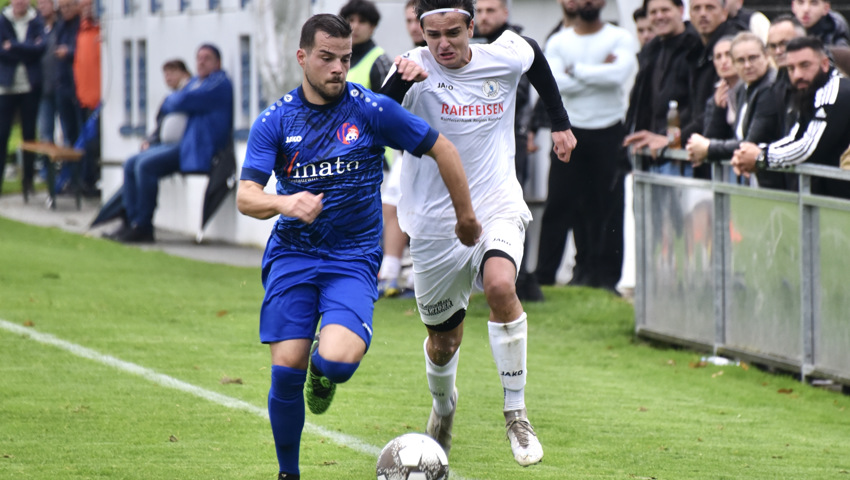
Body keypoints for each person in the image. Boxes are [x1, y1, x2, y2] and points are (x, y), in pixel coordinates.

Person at [236, 14, 480, 480]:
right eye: (326, 58)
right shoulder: (276, 119)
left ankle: (322, 376)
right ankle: (289, 473)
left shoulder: (371, 110)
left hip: (352, 258)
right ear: (302, 57)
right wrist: (286, 203)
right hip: (294, 256)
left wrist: (466, 217)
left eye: (345, 59)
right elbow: (247, 196)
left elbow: (442, 148)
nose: (337, 68)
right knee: (286, 367)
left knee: (336, 362)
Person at [381, 0, 576, 466]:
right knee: (444, 340)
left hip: (497, 204)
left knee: (500, 285)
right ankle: (444, 408)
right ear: (421, 31)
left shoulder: (503, 54)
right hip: (433, 224)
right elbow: (378, 120)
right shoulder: (413, 68)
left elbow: (534, 54)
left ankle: (516, 414)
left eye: (454, 32)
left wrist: (560, 123)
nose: (443, 44)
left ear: (472, 26)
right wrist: (397, 80)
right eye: (433, 35)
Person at [539, 0, 637, 296]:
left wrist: (576, 71)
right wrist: (596, 72)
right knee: (559, 204)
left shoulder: (620, 38)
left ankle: (606, 279)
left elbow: (618, 76)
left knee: (608, 206)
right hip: (570, 131)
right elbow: (554, 82)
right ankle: (544, 277)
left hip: (609, 131)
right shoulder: (558, 41)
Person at [106, 44, 233, 243]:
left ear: (218, 62)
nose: (201, 61)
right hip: (183, 147)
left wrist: (175, 98)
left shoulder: (219, 83)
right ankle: (130, 221)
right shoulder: (197, 82)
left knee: (145, 166)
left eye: (207, 58)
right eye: (198, 57)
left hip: (197, 149)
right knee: (131, 162)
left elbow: (180, 101)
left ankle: (144, 226)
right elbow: (175, 100)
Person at [472, 0, 544, 301]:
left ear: (506, 13)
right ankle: (486, 275)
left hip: (512, 145)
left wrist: (525, 132)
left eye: (491, 10)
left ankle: (519, 278)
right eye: (480, 11)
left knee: (510, 210)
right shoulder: (477, 46)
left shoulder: (515, 46)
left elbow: (523, 95)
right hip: (482, 148)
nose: (484, 17)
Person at [732, 36, 850, 199]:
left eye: (805, 65)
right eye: (791, 68)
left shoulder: (836, 91)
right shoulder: (809, 91)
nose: (797, 75)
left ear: (824, 64)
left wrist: (761, 158)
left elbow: (809, 147)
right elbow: (795, 136)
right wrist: (757, 152)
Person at [687, 33, 788, 189]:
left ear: (766, 56)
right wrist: (717, 109)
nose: (747, 65)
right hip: (754, 179)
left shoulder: (770, 87)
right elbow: (718, 135)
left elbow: (751, 143)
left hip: (776, 182)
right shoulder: (742, 88)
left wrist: (708, 148)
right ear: (734, 64)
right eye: (741, 60)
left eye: (753, 58)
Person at [376, 0, 424, 298]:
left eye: (416, 20)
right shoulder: (403, 60)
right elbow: (384, 108)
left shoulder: (446, 57)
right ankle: (390, 273)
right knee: (391, 203)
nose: (412, 27)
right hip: (407, 152)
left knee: (428, 213)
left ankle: (421, 278)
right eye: (408, 21)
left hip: (442, 151)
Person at [623, 0, 701, 175]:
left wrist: (670, 139)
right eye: (653, 12)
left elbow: (700, 107)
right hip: (651, 156)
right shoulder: (651, 50)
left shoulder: (696, 46)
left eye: (665, 10)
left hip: (685, 156)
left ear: (681, 11)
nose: (659, 16)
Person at [0, 0, 45, 196]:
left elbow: (40, 48)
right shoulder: (2, 20)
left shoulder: (36, 21)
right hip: (6, 87)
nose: (20, 3)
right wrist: (26, 49)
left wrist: (14, 47)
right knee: (2, 135)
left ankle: (28, 182)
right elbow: (1, 51)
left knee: (29, 135)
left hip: (29, 86)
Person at [72, 0, 99, 194]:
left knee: (92, 144)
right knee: (83, 142)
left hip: (98, 100)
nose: (87, 8)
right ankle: (83, 181)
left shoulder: (99, 32)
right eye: (84, 5)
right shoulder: (80, 32)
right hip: (83, 98)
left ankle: (89, 181)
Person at [53, 0, 80, 148]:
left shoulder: (80, 25)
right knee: (67, 130)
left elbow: (83, 52)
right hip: (62, 83)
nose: (65, 10)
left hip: (76, 85)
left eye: (68, 6)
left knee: (79, 129)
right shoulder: (61, 26)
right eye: (62, 7)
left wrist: (68, 53)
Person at [36, 0, 59, 144]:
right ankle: (46, 166)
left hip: (61, 86)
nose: (42, 6)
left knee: (68, 131)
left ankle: (69, 166)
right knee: (45, 132)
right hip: (43, 87)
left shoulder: (62, 25)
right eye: (40, 3)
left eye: (45, 2)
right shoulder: (35, 27)